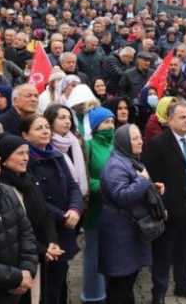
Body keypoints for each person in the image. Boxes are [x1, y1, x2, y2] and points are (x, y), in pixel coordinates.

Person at [143, 102, 186, 303]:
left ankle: (183, 285)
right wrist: (161, 207)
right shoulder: (158, 144)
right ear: (169, 120)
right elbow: (152, 181)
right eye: (182, 117)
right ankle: (159, 293)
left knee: (184, 249)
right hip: (169, 209)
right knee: (164, 253)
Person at [99, 124, 165, 304]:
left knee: (127, 282)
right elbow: (122, 196)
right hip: (119, 234)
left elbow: (136, 186)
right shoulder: (115, 166)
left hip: (131, 232)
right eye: (134, 138)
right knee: (120, 285)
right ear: (123, 141)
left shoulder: (130, 159)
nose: (139, 141)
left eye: (140, 137)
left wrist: (153, 188)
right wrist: (143, 181)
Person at [22, 114, 83, 304]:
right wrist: (62, 215)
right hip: (45, 230)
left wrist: (75, 209)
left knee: (59, 280)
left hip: (65, 225)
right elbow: (33, 198)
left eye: (47, 127)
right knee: (45, 288)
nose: (45, 131)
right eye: (39, 128)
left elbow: (73, 186)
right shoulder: (26, 160)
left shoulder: (55, 155)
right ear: (25, 135)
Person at [0, 133, 62, 304]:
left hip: (31, 263)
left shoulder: (28, 181)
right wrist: (17, 277)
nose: (25, 158)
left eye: (27, 153)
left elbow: (43, 215)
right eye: (20, 153)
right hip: (11, 273)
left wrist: (51, 241)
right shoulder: (6, 187)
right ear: (4, 158)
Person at [79, 107, 115, 304]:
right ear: (95, 126)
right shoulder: (88, 146)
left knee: (110, 253)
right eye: (105, 122)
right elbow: (83, 177)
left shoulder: (115, 145)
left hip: (115, 210)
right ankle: (93, 296)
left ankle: (108, 291)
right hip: (96, 209)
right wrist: (104, 186)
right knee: (94, 255)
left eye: (112, 122)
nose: (110, 126)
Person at [0, 149, 38, 302]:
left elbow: (26, 231)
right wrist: (16, 277)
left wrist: (27, 270)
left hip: (17, 289)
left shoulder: (7, 192)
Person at [43, 104, 89, 206]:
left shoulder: (77, 141)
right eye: (62, 118)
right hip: (58, 202)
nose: (68, 121)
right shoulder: (45, 145)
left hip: (79, 201)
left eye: (69, 118)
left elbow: (85, 171)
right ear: (50, 121)